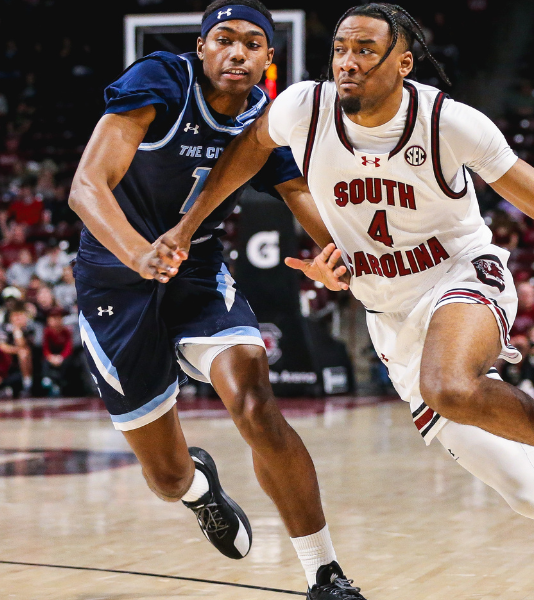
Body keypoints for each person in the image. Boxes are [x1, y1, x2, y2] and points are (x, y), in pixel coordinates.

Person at [167, 5, 534, 599]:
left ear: (403, 62)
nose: (348, 61)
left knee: (447, 384)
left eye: (366, 50)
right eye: (342, 48)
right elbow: (245, 152)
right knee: (533, 497)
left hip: (462, 276)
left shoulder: (450, 123)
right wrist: (197, 227)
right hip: (389, 317)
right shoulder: (301, 107)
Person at [65, 2, 362, 596]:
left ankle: (324, 572)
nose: (238, 53)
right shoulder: (160, 80)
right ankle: (200, 488)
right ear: (200, 48)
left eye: (253, 44)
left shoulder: (266, 119)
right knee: (167, 477)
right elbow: (85, 186)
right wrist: (137, 254)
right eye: (224, 40)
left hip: (197, 273)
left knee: (255, 403)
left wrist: (336, 255)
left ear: (269, 60)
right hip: (115, 281)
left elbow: (301, 193)